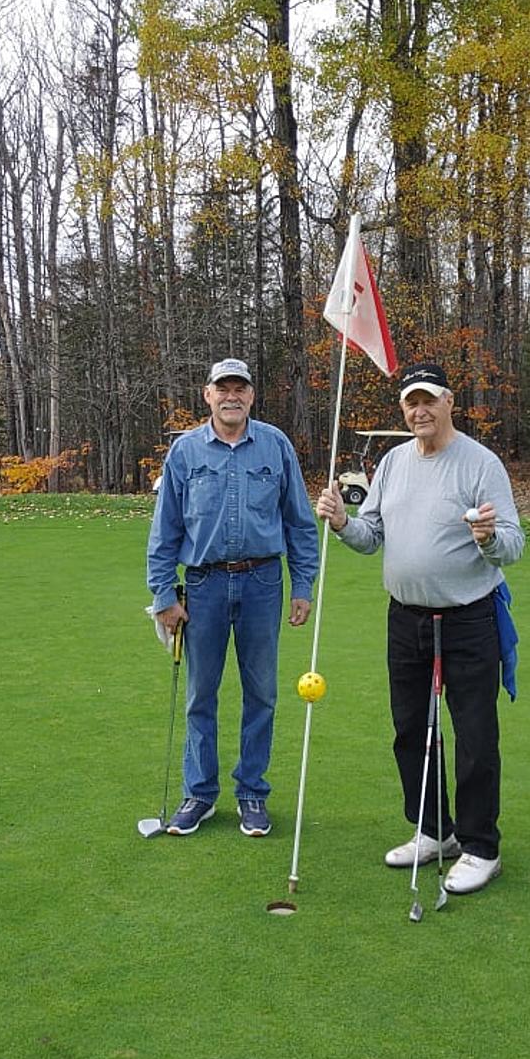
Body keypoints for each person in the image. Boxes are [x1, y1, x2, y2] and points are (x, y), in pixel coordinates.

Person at [315, 361, 524, 894]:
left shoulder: (480, 462)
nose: (419, 410)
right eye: (411, 402)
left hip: (469, 618)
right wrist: (342, 524)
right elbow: (372, 536)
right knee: (411, 731)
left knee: (475, 735)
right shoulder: (392, 462)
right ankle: (435, 830)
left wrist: (487, 538)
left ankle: (481, 847)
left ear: (449, 401)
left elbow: (513, 544)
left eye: (429, 399)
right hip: (405, 618)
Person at [147, 357, 319, 839]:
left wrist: (302, 585)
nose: (232, 396)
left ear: (251, 395)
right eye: (223, 388)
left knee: (261, 693)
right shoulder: (184, 452)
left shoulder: (275, 444)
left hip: (263, 582)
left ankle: (252, 794)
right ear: (208, 395)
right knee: (201, 694)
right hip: (203, 586)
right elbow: (165, 530)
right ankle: (199, 794)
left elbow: (300, 523)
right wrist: (164, 593)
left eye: (240, 388)